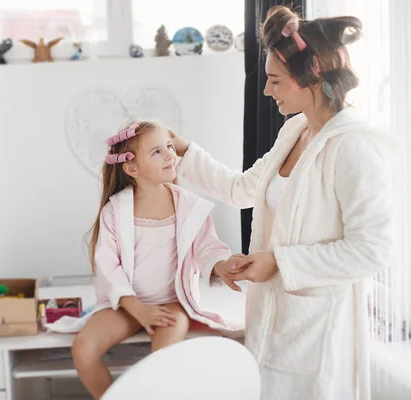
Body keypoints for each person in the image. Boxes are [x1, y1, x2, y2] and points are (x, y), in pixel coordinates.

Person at [171, 6, 395, 400]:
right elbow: (242, 190)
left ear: (309, 77)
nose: (265, 91)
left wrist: (280, 262)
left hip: (317, 330)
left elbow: (372, 250)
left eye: (274, 80)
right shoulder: (295, 130)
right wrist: (185, 151)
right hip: (271, 319)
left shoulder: (355, 146)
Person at [47, 120, 243, 399]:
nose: (169, 155)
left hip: (171, 304)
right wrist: (137, 308)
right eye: (156, 152)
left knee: (161, 359)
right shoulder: (115, 210)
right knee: (83, 349)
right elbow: (108, 266)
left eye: (169, 147)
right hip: (126, 305)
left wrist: (223, 266)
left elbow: (207, 248)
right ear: (131, 168)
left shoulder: (190, 205)